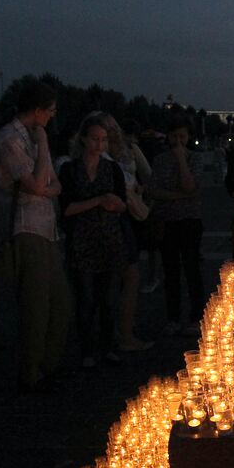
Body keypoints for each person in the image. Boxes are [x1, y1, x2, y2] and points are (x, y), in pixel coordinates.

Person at [0, 82, 70, 393]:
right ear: (37, 111)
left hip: (46, 228)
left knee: (60, 303)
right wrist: (43, 145)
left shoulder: (33, 138)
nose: (52, 117)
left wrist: (45, 186)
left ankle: (46, 363)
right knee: (36, 304)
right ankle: (31, 370)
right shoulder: (9, 140)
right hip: (26, 228)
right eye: (50, 111)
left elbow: (54, 185)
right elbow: (38, 184)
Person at [60, 114, 136, 367]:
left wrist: (116, 204)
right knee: (85, 298)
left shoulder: (111, 169)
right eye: (94, 139)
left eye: (103, 140)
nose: (99, 144)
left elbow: (123, 204)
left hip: (109, 240)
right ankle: (87, 350)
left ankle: (107, 345)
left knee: (108, 297)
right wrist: (98, 201)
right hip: (82, 240)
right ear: (83, 139)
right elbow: (66, 208)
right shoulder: (69, 170)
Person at [97, 113, 155, 352]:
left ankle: (119, 332)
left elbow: (148, 174)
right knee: (118, 277)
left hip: (126, 216)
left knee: (124, 276)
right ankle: (119, 334)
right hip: (109, 219)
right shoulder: (102, 157)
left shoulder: (125, 151)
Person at [147, 115, 204, 335]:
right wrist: (179, 196)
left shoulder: (194, 158)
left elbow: (191, 187)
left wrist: (181, 159)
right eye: (174, 136)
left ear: (189, 137)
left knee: (192, 269)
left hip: (190, 221)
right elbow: (153, 190)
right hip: (167, 221)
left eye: (182, 136)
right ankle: (173, 316)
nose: (178, 140)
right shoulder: (160, 160)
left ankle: (196, 315)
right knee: (170, 271)